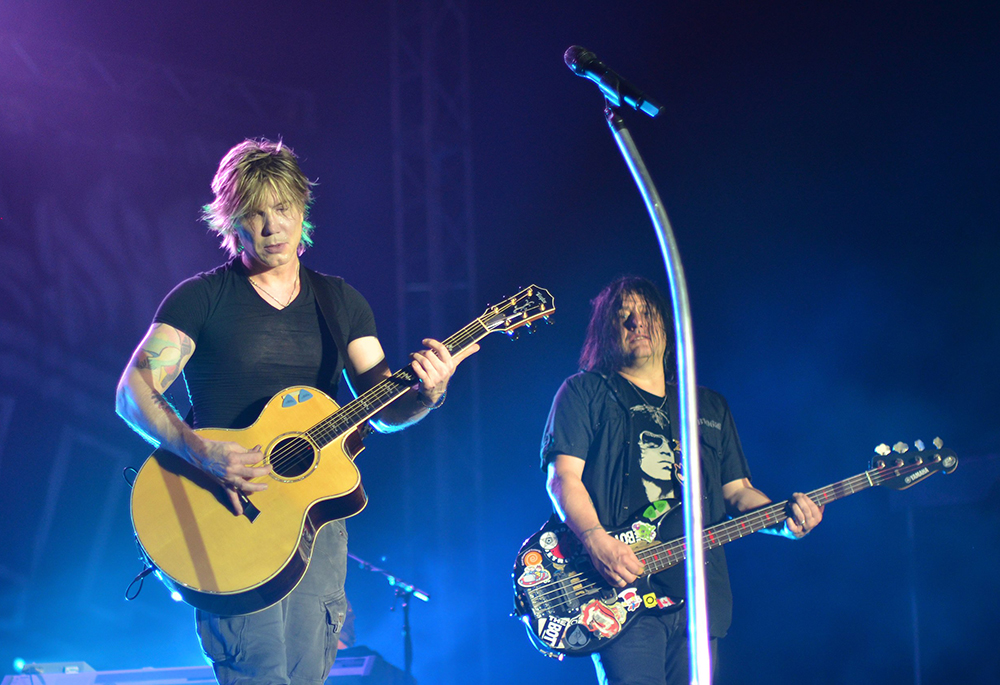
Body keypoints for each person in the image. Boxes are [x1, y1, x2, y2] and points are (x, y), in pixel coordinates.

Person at [115, 138, 477, 685]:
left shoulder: (341, 302)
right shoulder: (200, 299)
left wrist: (428, 394)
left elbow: (382, 407)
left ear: (302, 210)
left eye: (283, 207)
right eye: (255, 213)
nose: (272, 226)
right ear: (231, 222)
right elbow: (132, 392)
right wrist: (203, 452)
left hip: (317, 521)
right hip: (227, 515)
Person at [540, 275, 823, 685]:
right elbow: (562, 478)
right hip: (623, 595)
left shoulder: (705, 405)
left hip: (698, 597)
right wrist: (597, 540)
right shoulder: (583, 393)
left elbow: (737, 492)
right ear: (607, 332)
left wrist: (784, 520)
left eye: (647, 313)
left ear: (667, 325)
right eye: (624, 316)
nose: (637, 322)